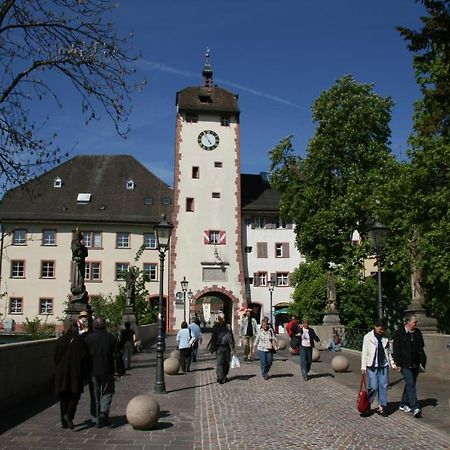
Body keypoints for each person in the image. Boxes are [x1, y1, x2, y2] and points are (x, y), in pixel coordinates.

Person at [54, 318, 88, 429]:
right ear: (74, 327)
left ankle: (64, 422)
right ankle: (69, 416)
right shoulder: (79, 341)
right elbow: (84, 357)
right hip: (75, 372)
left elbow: (56, 358)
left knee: (63, 397)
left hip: (62, 373)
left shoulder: (60, 340)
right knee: (75, 396)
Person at [84, 317, 118, 428]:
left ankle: (96, 419)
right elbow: (117, 355)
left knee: (95, 395)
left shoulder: (88, 339)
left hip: (93, 370)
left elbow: (84, 357)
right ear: (105, 326)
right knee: (108, 392)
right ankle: (104, 412)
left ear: (94, 326)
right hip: (108, 369)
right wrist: (120, 370)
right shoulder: (111, 338)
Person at [393, 314, 427, 418]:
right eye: (414, 322)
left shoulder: (417, 333)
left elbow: (421, 346)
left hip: (415, 363)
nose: (416, 324)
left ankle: (403, 404)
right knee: (411, 384)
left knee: (410, 384)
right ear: (408, 322)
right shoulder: (399, 333)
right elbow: (396, 349)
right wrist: (398, 363)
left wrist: (422, 360)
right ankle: (415, 407)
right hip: (405, 364)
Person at [361, 319, 396, 416]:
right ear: (375, 327)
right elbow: (364, 352)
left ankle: (381, 407)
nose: (382, 331)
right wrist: (363, 367)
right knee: (373, 386)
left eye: (383, 329)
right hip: (372, 365)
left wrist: (393, 365)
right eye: (380, 329)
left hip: (383, 365)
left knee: (383, 386)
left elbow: (388, 353)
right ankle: (367, 403)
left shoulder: (385, 338)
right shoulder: (368, 337)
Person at [207, 313, 235, 384]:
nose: (223, 320)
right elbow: (213, 338)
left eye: (224, 318)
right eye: (221, 318)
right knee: (220, 362)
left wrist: (233, 348)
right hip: (219, 347)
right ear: (219, 319)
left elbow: (231, 337)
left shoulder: (228, 327)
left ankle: (224, 375)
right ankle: (220, 377)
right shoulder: (215, 327)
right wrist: (212, 347)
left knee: (226, 362)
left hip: (227, 347)